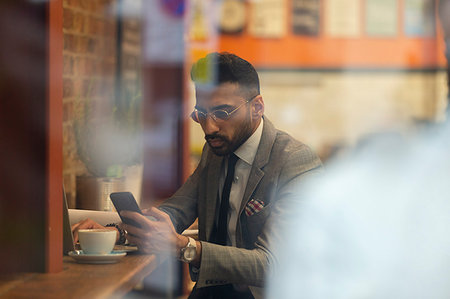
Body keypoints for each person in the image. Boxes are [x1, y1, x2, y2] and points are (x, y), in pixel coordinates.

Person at [73, 52, 323, 299]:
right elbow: (177, 209)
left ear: (257, 107)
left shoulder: (295, 163)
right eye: (200, 113)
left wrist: (186, 247)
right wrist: (117, 233)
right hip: (211, 291)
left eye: (223, 113)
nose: (209, 127)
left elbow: (273, 265)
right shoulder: (215, 149)